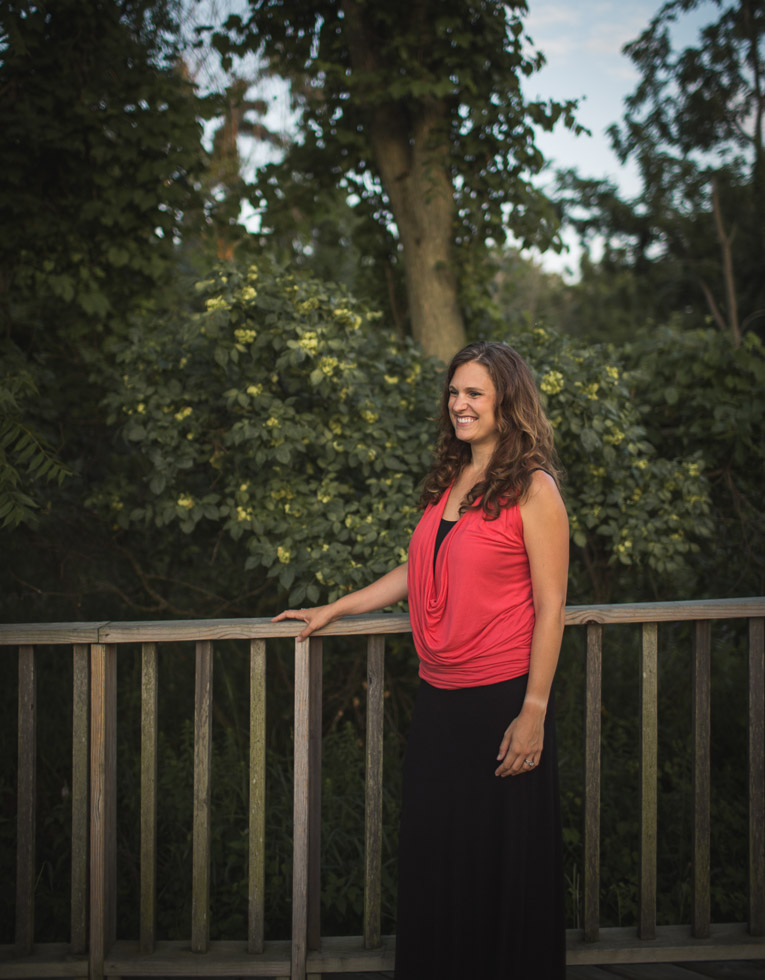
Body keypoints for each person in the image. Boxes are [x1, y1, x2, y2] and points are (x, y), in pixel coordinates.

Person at [273, 341, 569, 979]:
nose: (459, 405)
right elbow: (416, 569)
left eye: (475, 394)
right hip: (440, 700)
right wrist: (335, 608)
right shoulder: (455, 477)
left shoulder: (534, 488)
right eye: (455, 393)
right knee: (442, 857)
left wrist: (534, 710)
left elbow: (552, 607)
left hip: (502, 701)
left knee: (498, 862)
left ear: (507, 404)